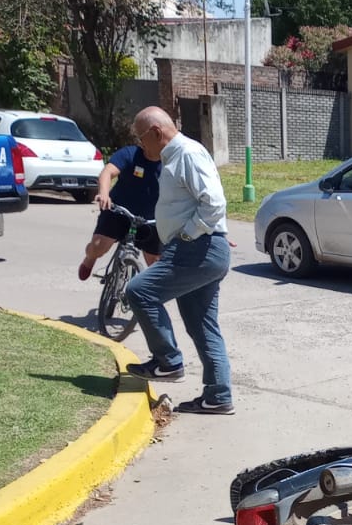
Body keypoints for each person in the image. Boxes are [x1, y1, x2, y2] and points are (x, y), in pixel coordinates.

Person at [123, 106, 235, 414]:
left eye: (141, 139)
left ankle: (168, 362)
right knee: (202, 324)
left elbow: (213, 202)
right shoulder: (177, 157)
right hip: (203, 247)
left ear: (157, 133)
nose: (140, 146)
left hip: (196, 248)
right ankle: (218, 397)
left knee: (139, 291)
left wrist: (189, 235)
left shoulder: (186, 154)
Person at [77, 140, 162, 281]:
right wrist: (104, 193)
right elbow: (107, 172)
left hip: (151, 218)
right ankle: (90, 258)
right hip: (119, 211)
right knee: (99, 246)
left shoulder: (170, 161)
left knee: (155, 261)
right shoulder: (130, 154)